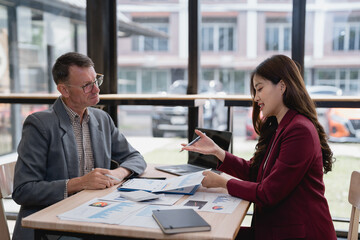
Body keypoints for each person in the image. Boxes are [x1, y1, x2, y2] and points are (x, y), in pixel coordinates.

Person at [181, 55, 337, 240]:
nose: (256, 98)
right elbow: (255, 172)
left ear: (282, 85)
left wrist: (222, 182)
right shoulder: (281, 126)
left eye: (260, 89)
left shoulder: (299, 131)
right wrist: (218, 152)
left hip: (299, 233)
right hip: (277, 230)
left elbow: (268, 193)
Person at [12, 52, 147, 240]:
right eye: (87, 86)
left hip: (93, 214)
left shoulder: (102, 119)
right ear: (64, 90)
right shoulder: (40, 125)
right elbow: (23, 191)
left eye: (96, 81)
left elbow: (136, 158)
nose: (96, 90)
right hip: (51, 227)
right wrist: (81, 183)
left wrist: (118, 173)